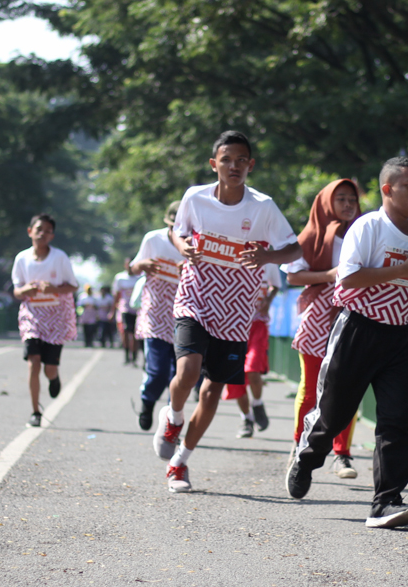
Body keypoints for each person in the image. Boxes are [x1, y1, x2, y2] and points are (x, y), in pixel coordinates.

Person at [287, 157, 408, 529]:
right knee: (334, 415)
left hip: (398, 336)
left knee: (396, 420)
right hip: (358, 330)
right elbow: (348, 280)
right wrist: (400, 270)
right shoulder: (368, 227)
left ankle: (386, 501)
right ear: (387, 189)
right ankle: (306, 457)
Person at [154, 130, 301, 493]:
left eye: (241, 160)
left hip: (236, 310)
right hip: (196, 296)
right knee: (188, 370)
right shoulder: (195, 198)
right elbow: (178, 232)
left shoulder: (263, 207)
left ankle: (179, 463)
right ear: (214, 164)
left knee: (212, 391)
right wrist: (183, 246)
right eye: (226, 160)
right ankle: (173, 417)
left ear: (251, 165)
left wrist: (268, 256)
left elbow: (294, 249)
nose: (234, 166)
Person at [284, 178, 363, 479]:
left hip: (354, 313)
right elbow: (293, 276)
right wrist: (329, 275)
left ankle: (342, 455)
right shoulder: (311, 235)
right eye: (340, 199)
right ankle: (298, 446)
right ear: (327, 202)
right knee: (310, 388)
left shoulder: (364, 233)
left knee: (347, 387)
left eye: (352, 199)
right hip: (317, 316)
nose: (347, 204)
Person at [10, 214, 79, 427]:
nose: (42, 234)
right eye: (39, 229)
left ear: (52, 236)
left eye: (48, 231)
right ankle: (35, 412)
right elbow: (16, 290)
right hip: (32, 316)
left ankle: (54, 377)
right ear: (30, 231)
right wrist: (25, 290)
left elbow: (73, 286)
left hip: (56, 318)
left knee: (49, 368)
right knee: (33, 362)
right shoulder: (22, 258)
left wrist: (53, 289)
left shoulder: (59, 258)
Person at [129, 200, 185, 430]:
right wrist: (143, 264)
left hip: (184, 315)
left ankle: (171, 421)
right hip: (155, 315)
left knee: (179, 375)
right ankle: (147, 401)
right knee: (158, 371)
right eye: (174, 225)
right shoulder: (153, 239)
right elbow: (133, 268)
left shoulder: (196, 245)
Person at [224, 266, 281, 438]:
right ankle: (246, 419)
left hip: (258, 325)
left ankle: (257, 404)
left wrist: (268, 300)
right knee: (235, 377)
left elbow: (275, 285)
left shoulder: (269, 260)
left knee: (253, 369)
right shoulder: (232, 255)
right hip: (232, 326)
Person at [113, 260, 141, 365]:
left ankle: (134, 357)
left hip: (137, 310)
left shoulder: (140, 278)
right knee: (125, 332)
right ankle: (126, 355)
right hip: (125, 309)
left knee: (134, 334)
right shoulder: (120, 278)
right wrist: (113, 311)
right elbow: (116, 295)